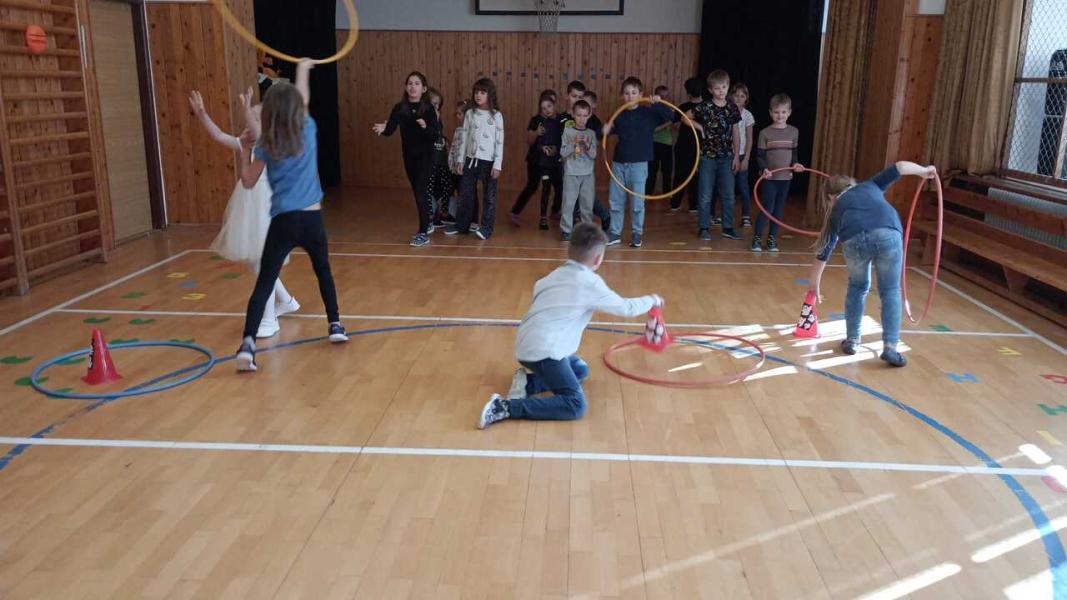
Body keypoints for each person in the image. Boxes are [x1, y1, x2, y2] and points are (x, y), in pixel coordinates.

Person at [478, 223, 662, 429]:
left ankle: (528, 383)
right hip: (545, 353)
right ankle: (505, 407)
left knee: (580, 369)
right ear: (598, 259)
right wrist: (652, 300)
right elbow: (627, 308)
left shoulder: (549, 278)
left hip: (525, 347)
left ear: (569, 249)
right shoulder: (589, 283)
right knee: (575, 405)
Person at [234, 59, 347, 372]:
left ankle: (247, 345)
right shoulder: (307, 130)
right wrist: (303, 69)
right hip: (311, 220)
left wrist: (244, 149)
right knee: (323, 272)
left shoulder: (267, 143)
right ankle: (335, 325)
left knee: (265, 282)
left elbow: (247, 181)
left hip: (283, 222)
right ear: (297, 109)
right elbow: (304, 99)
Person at [189, 87, 298, 339]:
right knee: (257, 261)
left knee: (263, 263)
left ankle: (269, 319)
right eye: (250, 118)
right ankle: (286, 301)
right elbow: (218, 135)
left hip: (267, 207)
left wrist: (246, 107)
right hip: (249, 206)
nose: (250, 122)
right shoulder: (245, 143)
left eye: (256, 118)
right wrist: (202, 114)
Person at [806, 161, 938, 368]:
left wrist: (814, 286)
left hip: (854, 240)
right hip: (888, 233)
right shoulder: (870, 185)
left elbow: (824, 252)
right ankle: (890, 347)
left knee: (857, 288)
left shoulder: (836, 211)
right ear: (851, 185)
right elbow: (900, 166)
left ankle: (852, 340)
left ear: (831, 196)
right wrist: (924, 171)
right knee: (890, 290)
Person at [372, 71, 440, 247]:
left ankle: (423, 233)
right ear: (406, 87)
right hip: (409, 157)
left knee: (421, 192)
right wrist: (383, 129)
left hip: (426, 157)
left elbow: (435, 136)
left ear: (423, 88)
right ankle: (427, 222)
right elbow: (390, 130)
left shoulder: (428, 109)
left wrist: (424, 127)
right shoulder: (399, 108)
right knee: (418, 193)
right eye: (410, 83)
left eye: (417, 83)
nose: (413, 86)